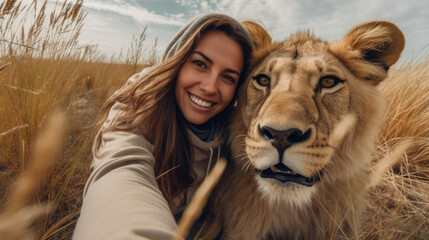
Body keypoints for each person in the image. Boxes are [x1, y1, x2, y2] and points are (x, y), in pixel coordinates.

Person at [72, 13, 254, 240]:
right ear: (176, 61)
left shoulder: (235, 132)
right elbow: (121, 169)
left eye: (228, 77)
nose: (210, 87)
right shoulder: (137, 107)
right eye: (200, 64)